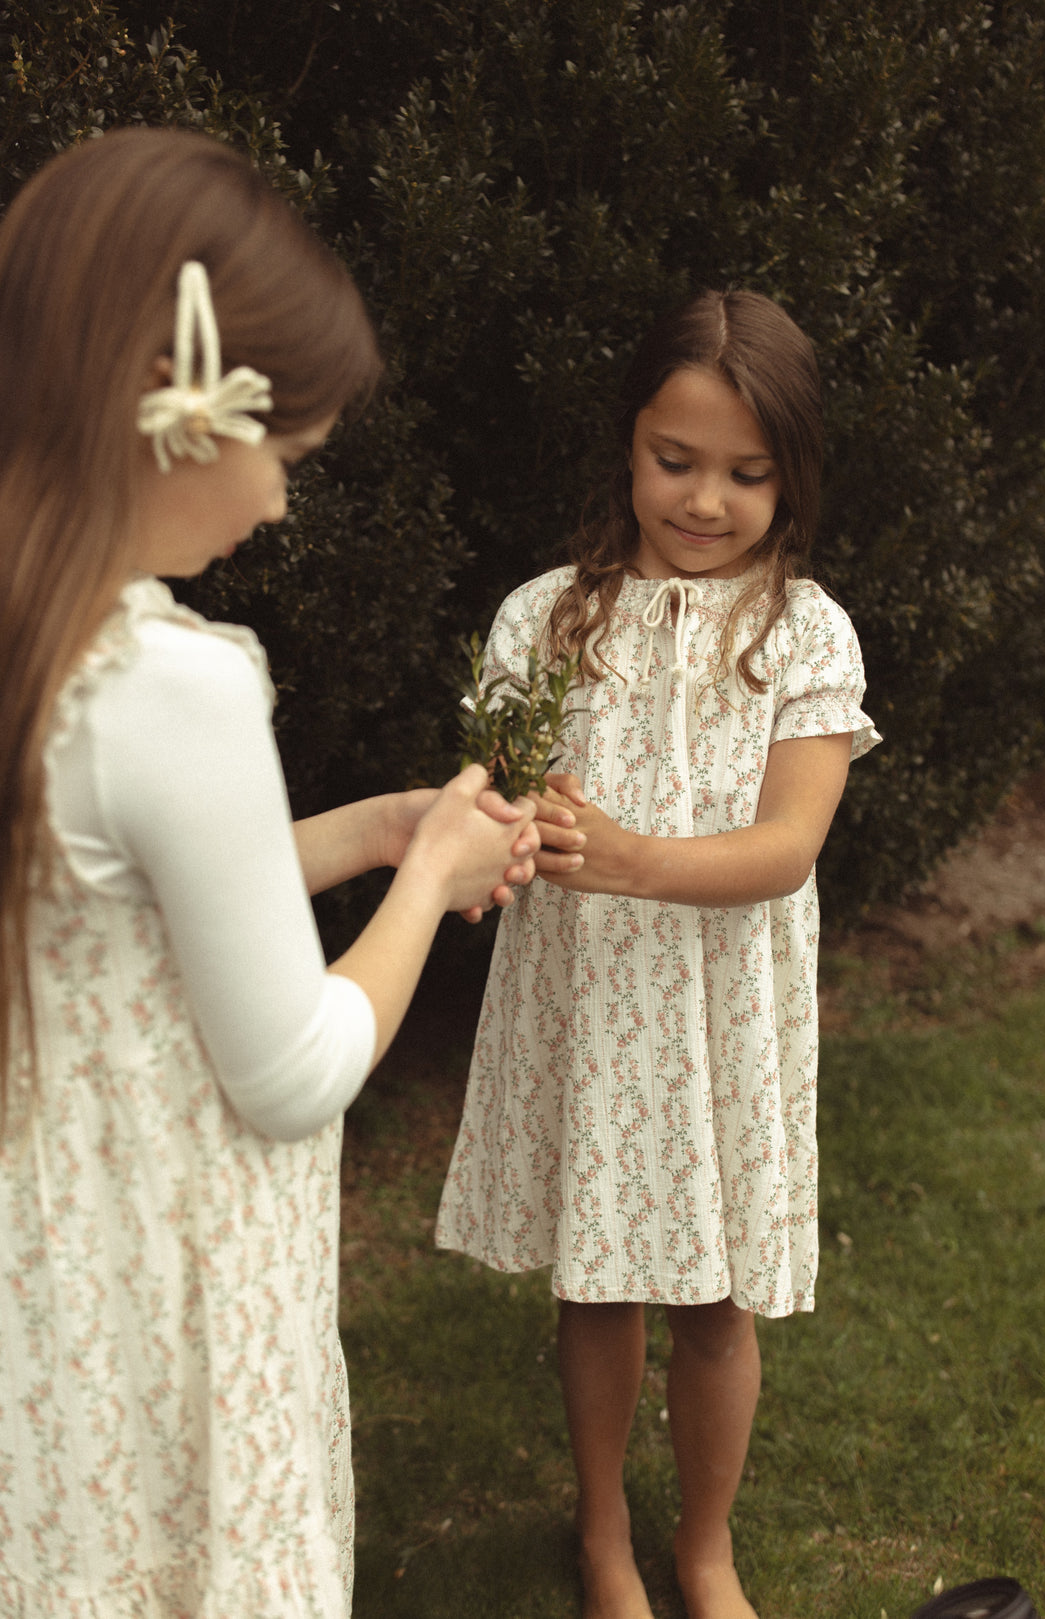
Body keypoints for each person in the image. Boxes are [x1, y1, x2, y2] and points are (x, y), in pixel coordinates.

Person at [0, 126, 541, 1618]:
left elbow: (101, 907)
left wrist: (366, 834)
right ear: (181, 416)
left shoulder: (36, 646)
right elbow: (290, 1070)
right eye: (284, 457)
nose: (281, 506)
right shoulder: (173, 684)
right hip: (160, 1287)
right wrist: (429, 878)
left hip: (39, 1285)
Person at [436, 289, 881, 1619]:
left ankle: (704, 1545)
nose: (703, 500)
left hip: (724, 1012)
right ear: (628, 446)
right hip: (591, 1007)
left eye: (746, 474)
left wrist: (628, 857)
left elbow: (786, 846)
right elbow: (504, 805)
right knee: (603, 1276)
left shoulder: (807, 633)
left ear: (791, 478)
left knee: (718, 1293)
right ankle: (604, 1540)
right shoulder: (545, 623)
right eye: (673, 461)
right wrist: (503, 835)